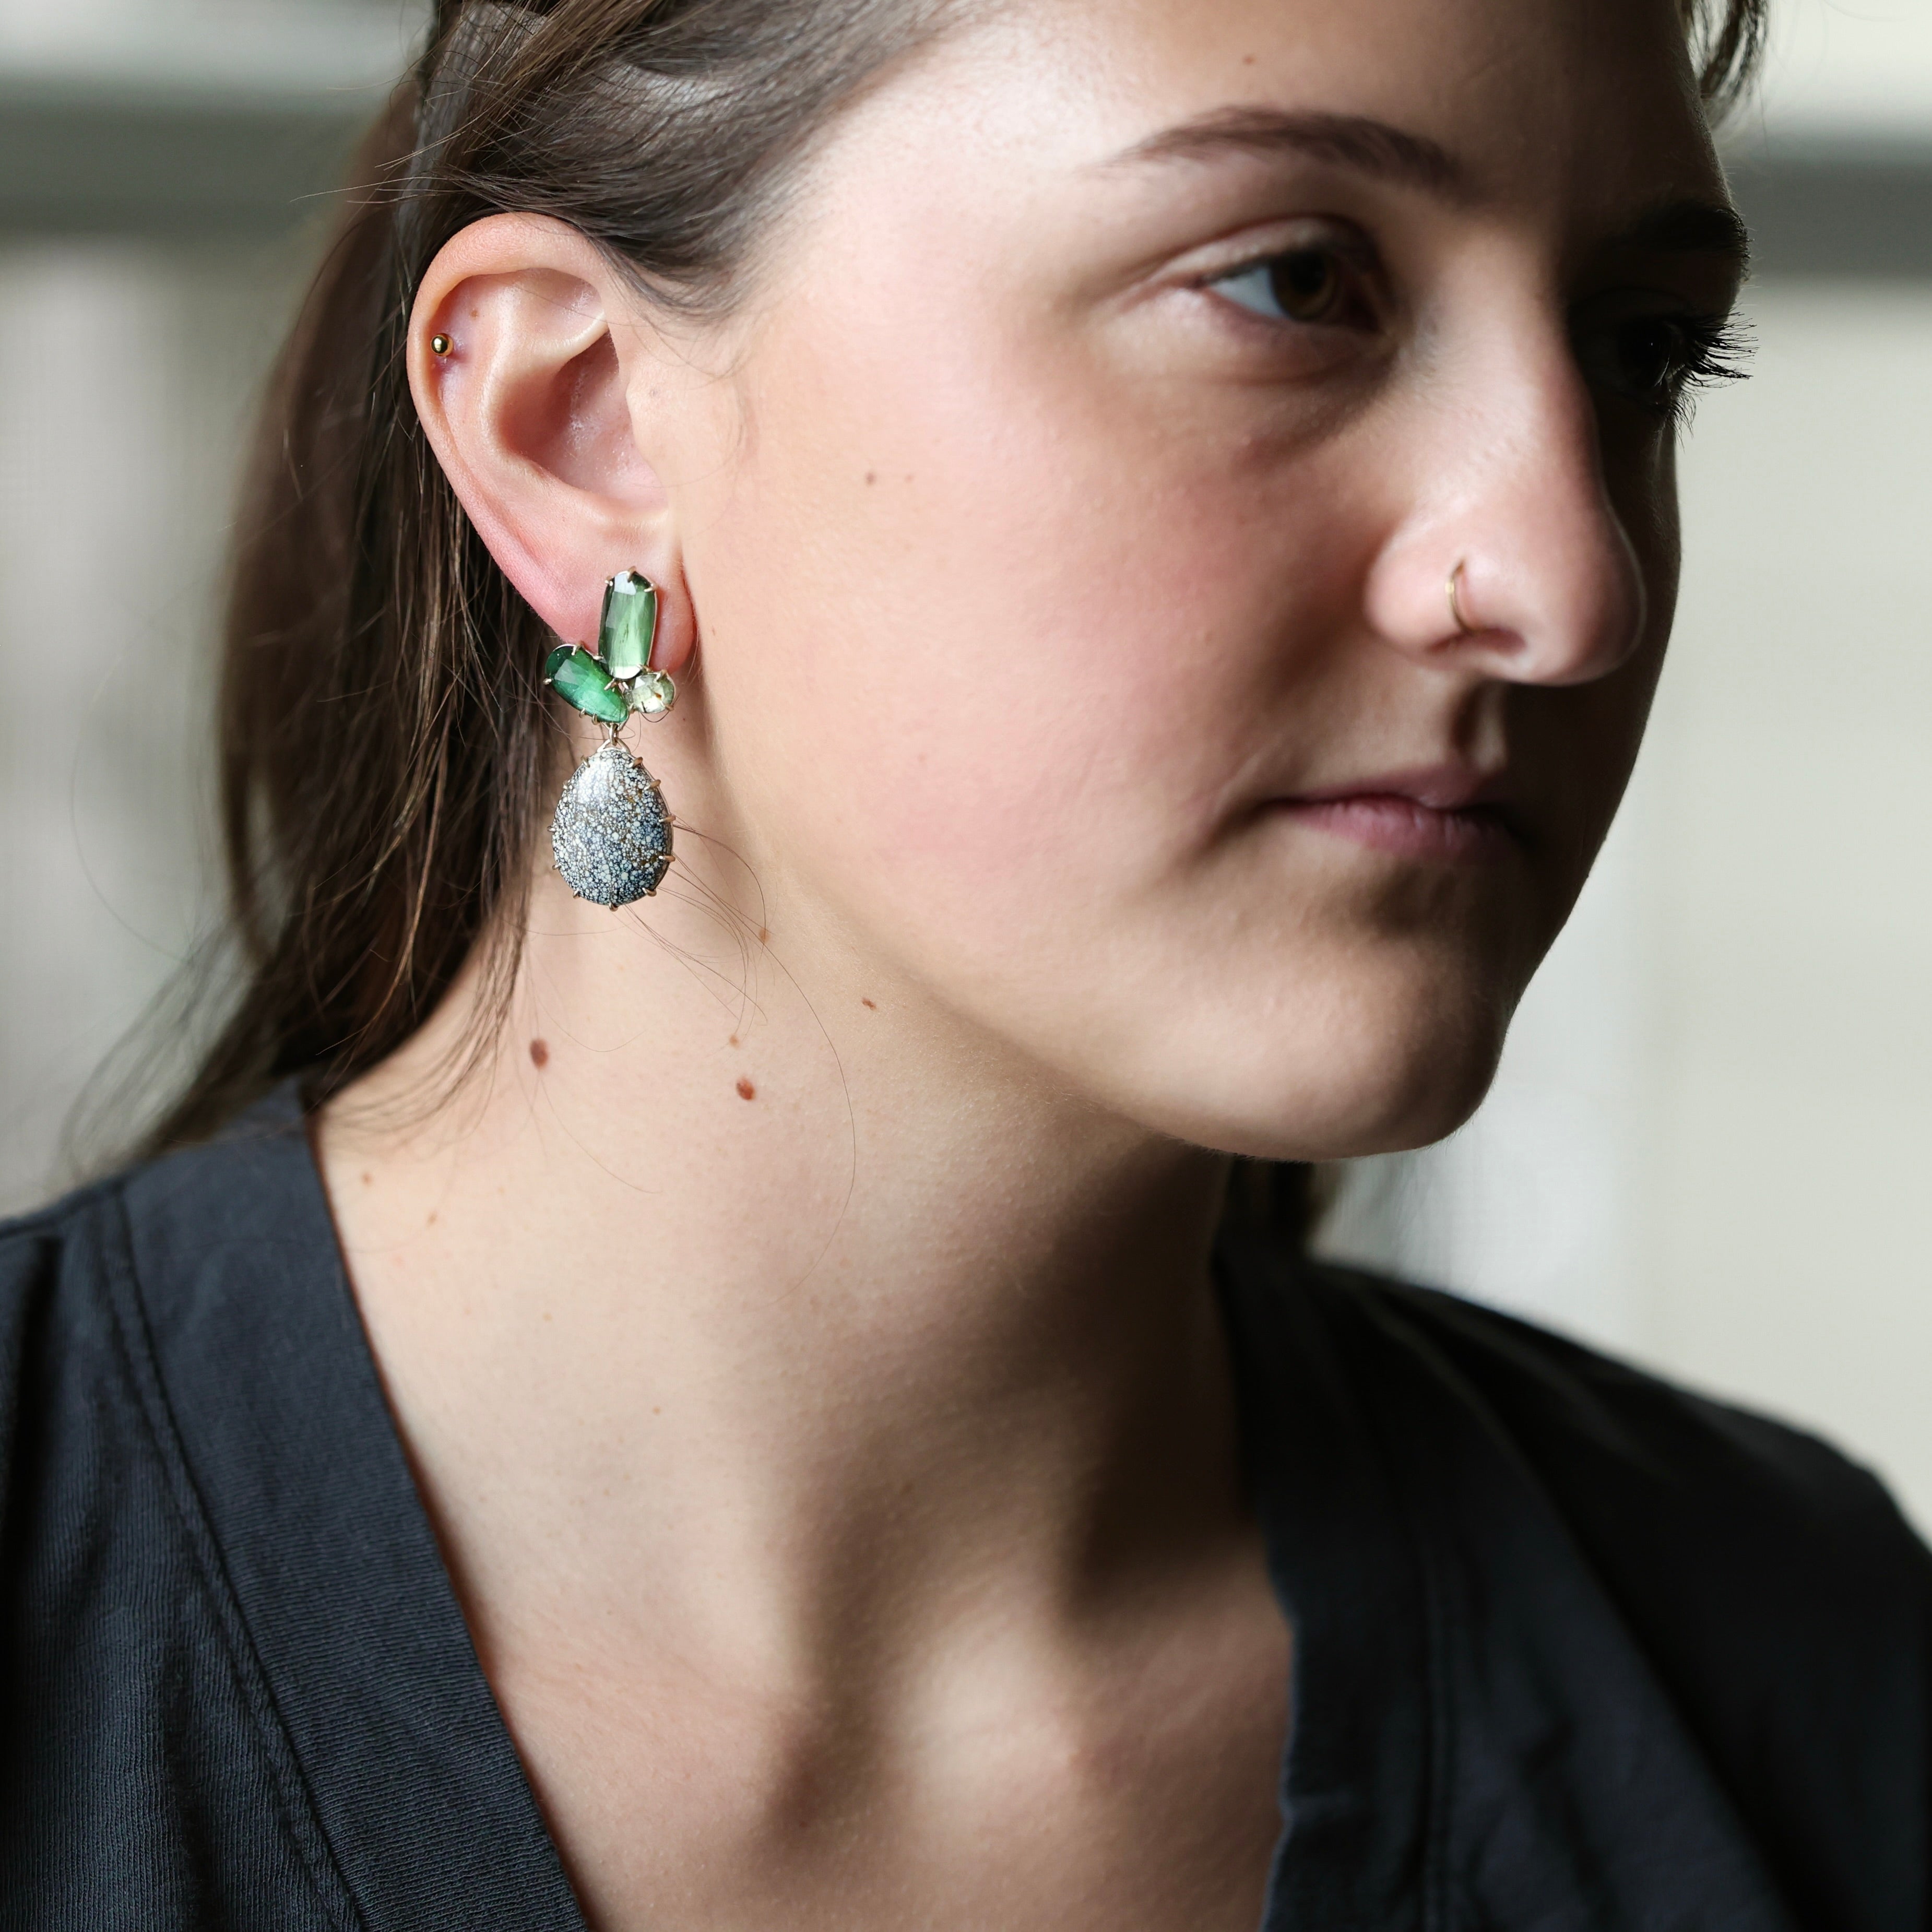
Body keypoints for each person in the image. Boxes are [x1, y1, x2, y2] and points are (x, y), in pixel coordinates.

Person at [3, 0, 1926, 1926]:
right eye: (1295, 284)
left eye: (1644, 349)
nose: (1567, 580)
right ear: (580, 423)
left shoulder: (1795, 1677)